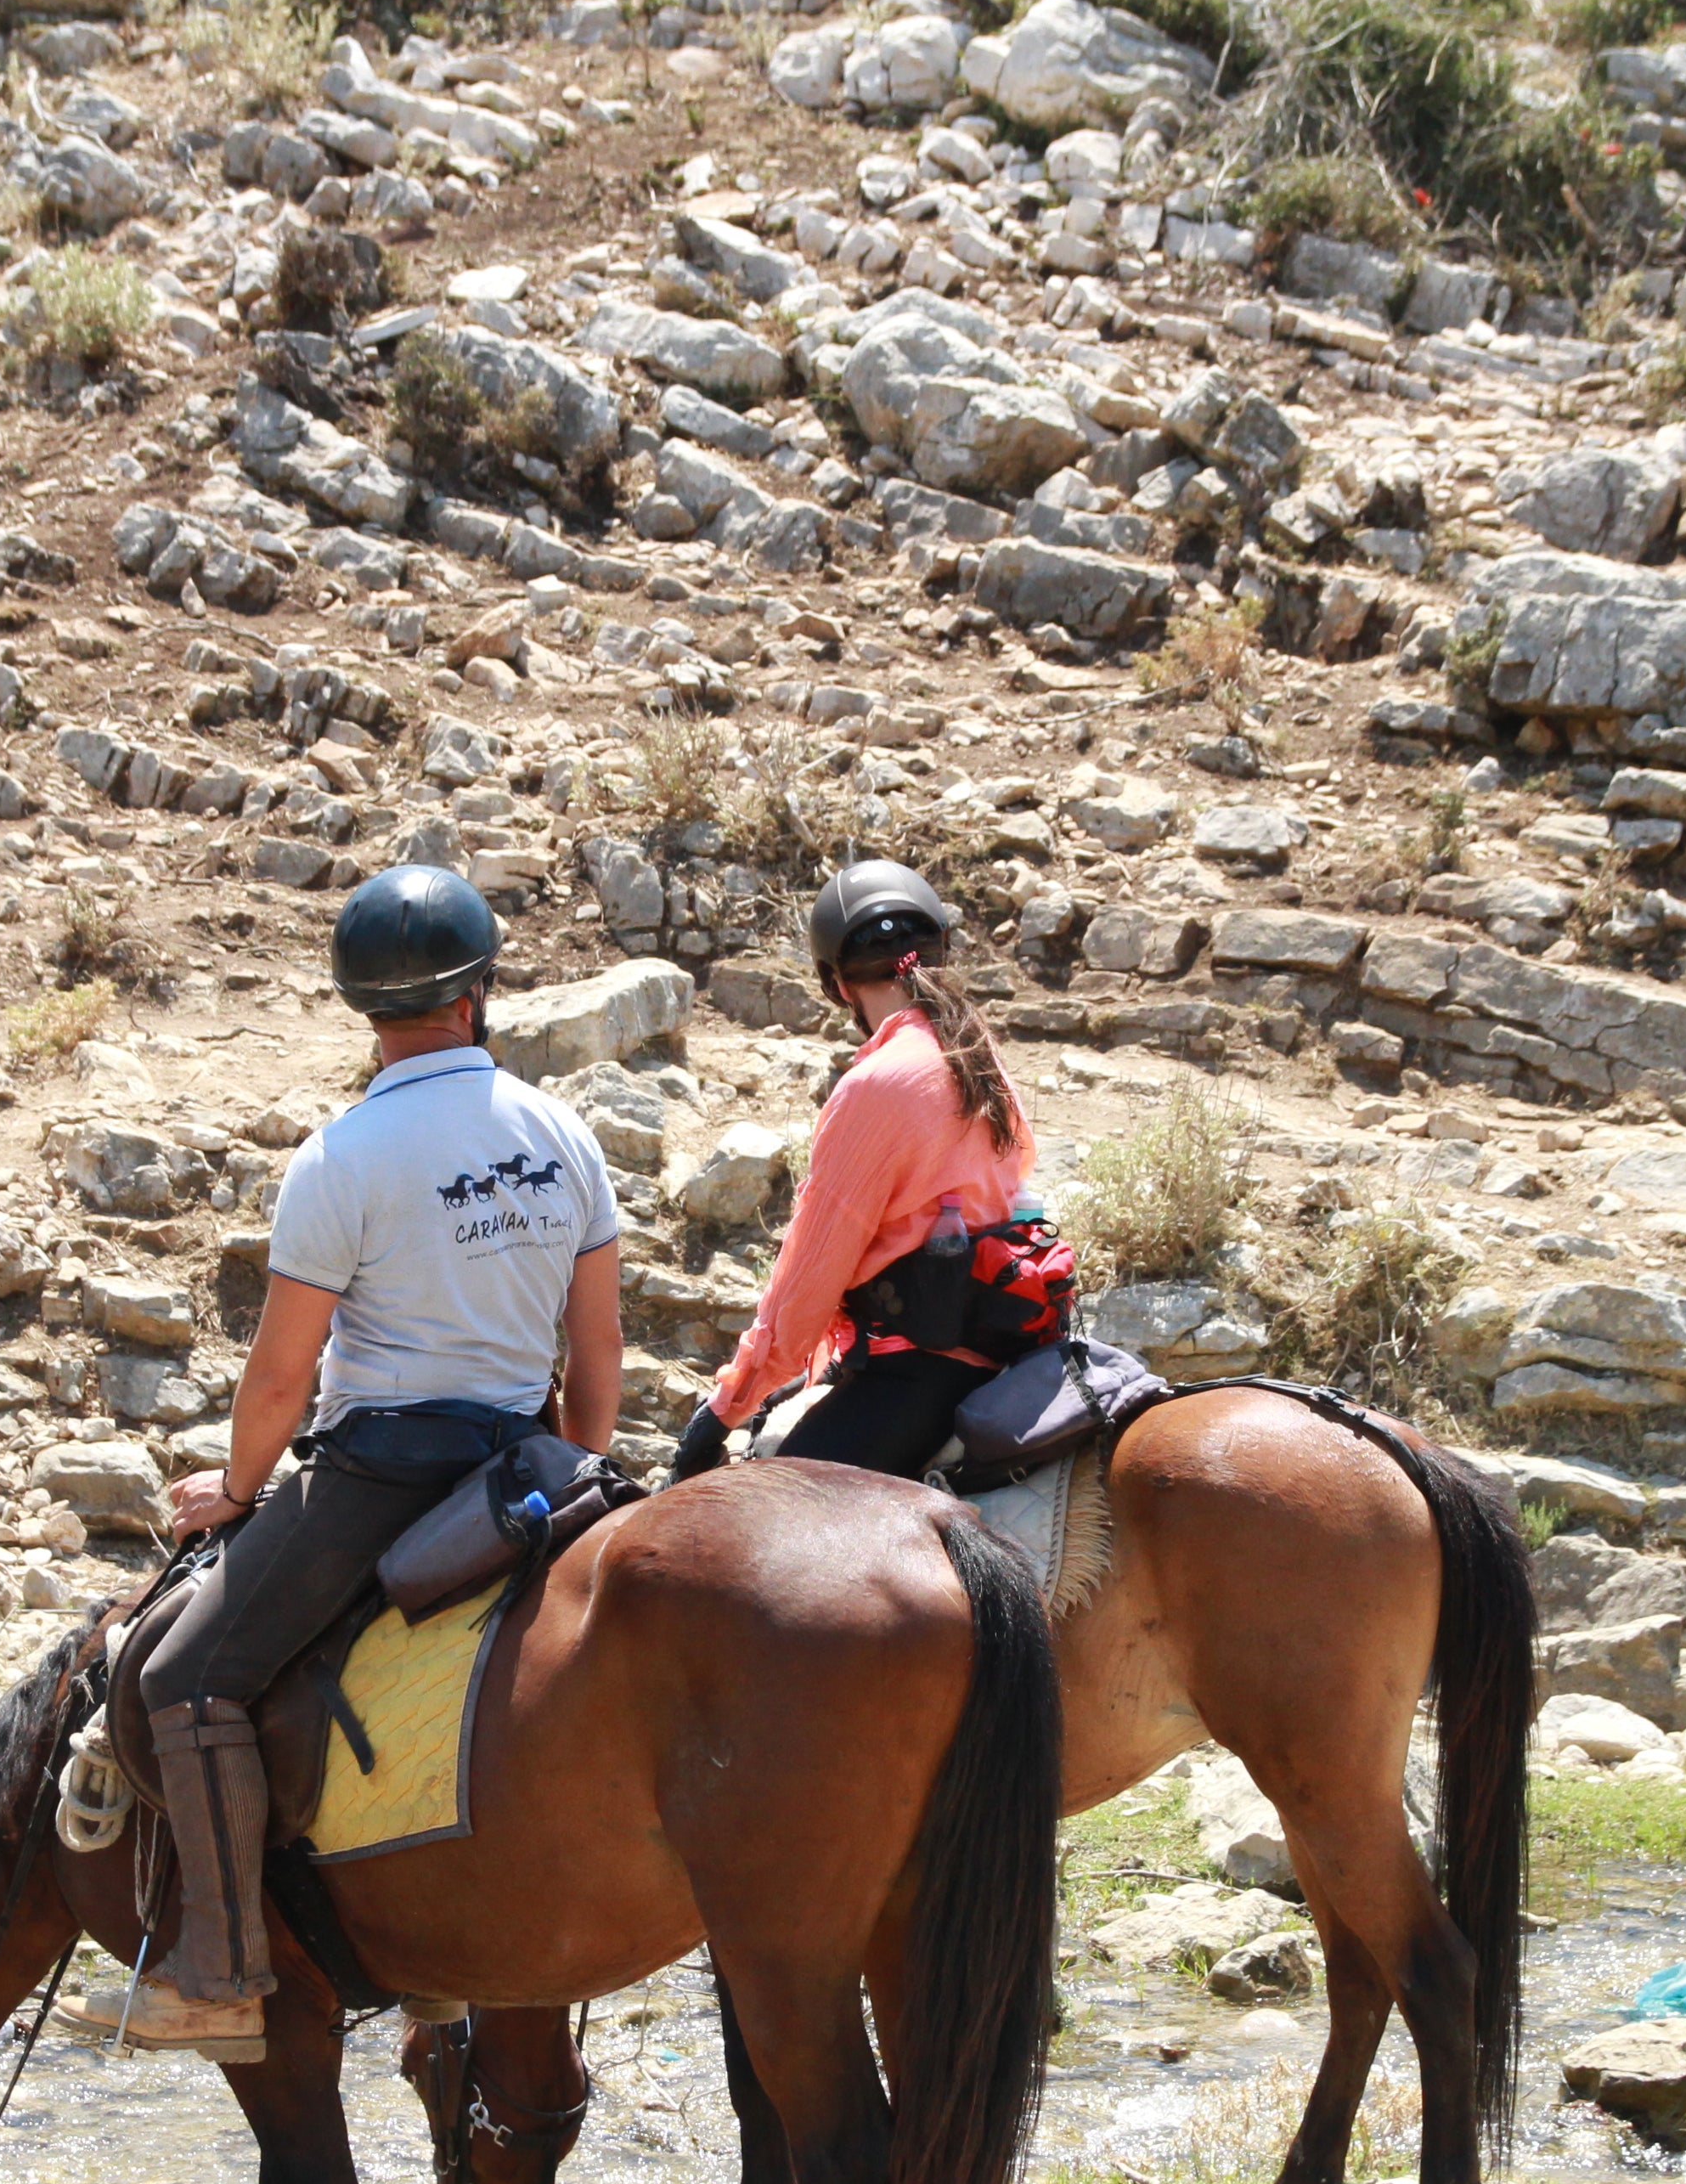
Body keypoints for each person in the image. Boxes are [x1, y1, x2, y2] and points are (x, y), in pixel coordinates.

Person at [76, 865, 623, 2061]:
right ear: (478, 993)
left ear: (361, 1007)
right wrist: (571, 1478)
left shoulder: (343, 1155)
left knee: (185, 1679)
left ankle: (220, 1967)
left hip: (382, 1474)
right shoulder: (563, 1135)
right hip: (525, 1464)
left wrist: (237, 1487)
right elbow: (597, 1365)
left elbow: (281, 1376)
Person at [671, 859, 1052, 1481]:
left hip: (918, 1375)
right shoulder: (975, 1050)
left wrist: (727, 1406)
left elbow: (810, 1276)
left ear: (837, 985)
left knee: (764, 1533)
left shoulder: (874, 1086)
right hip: (1011, 1352)